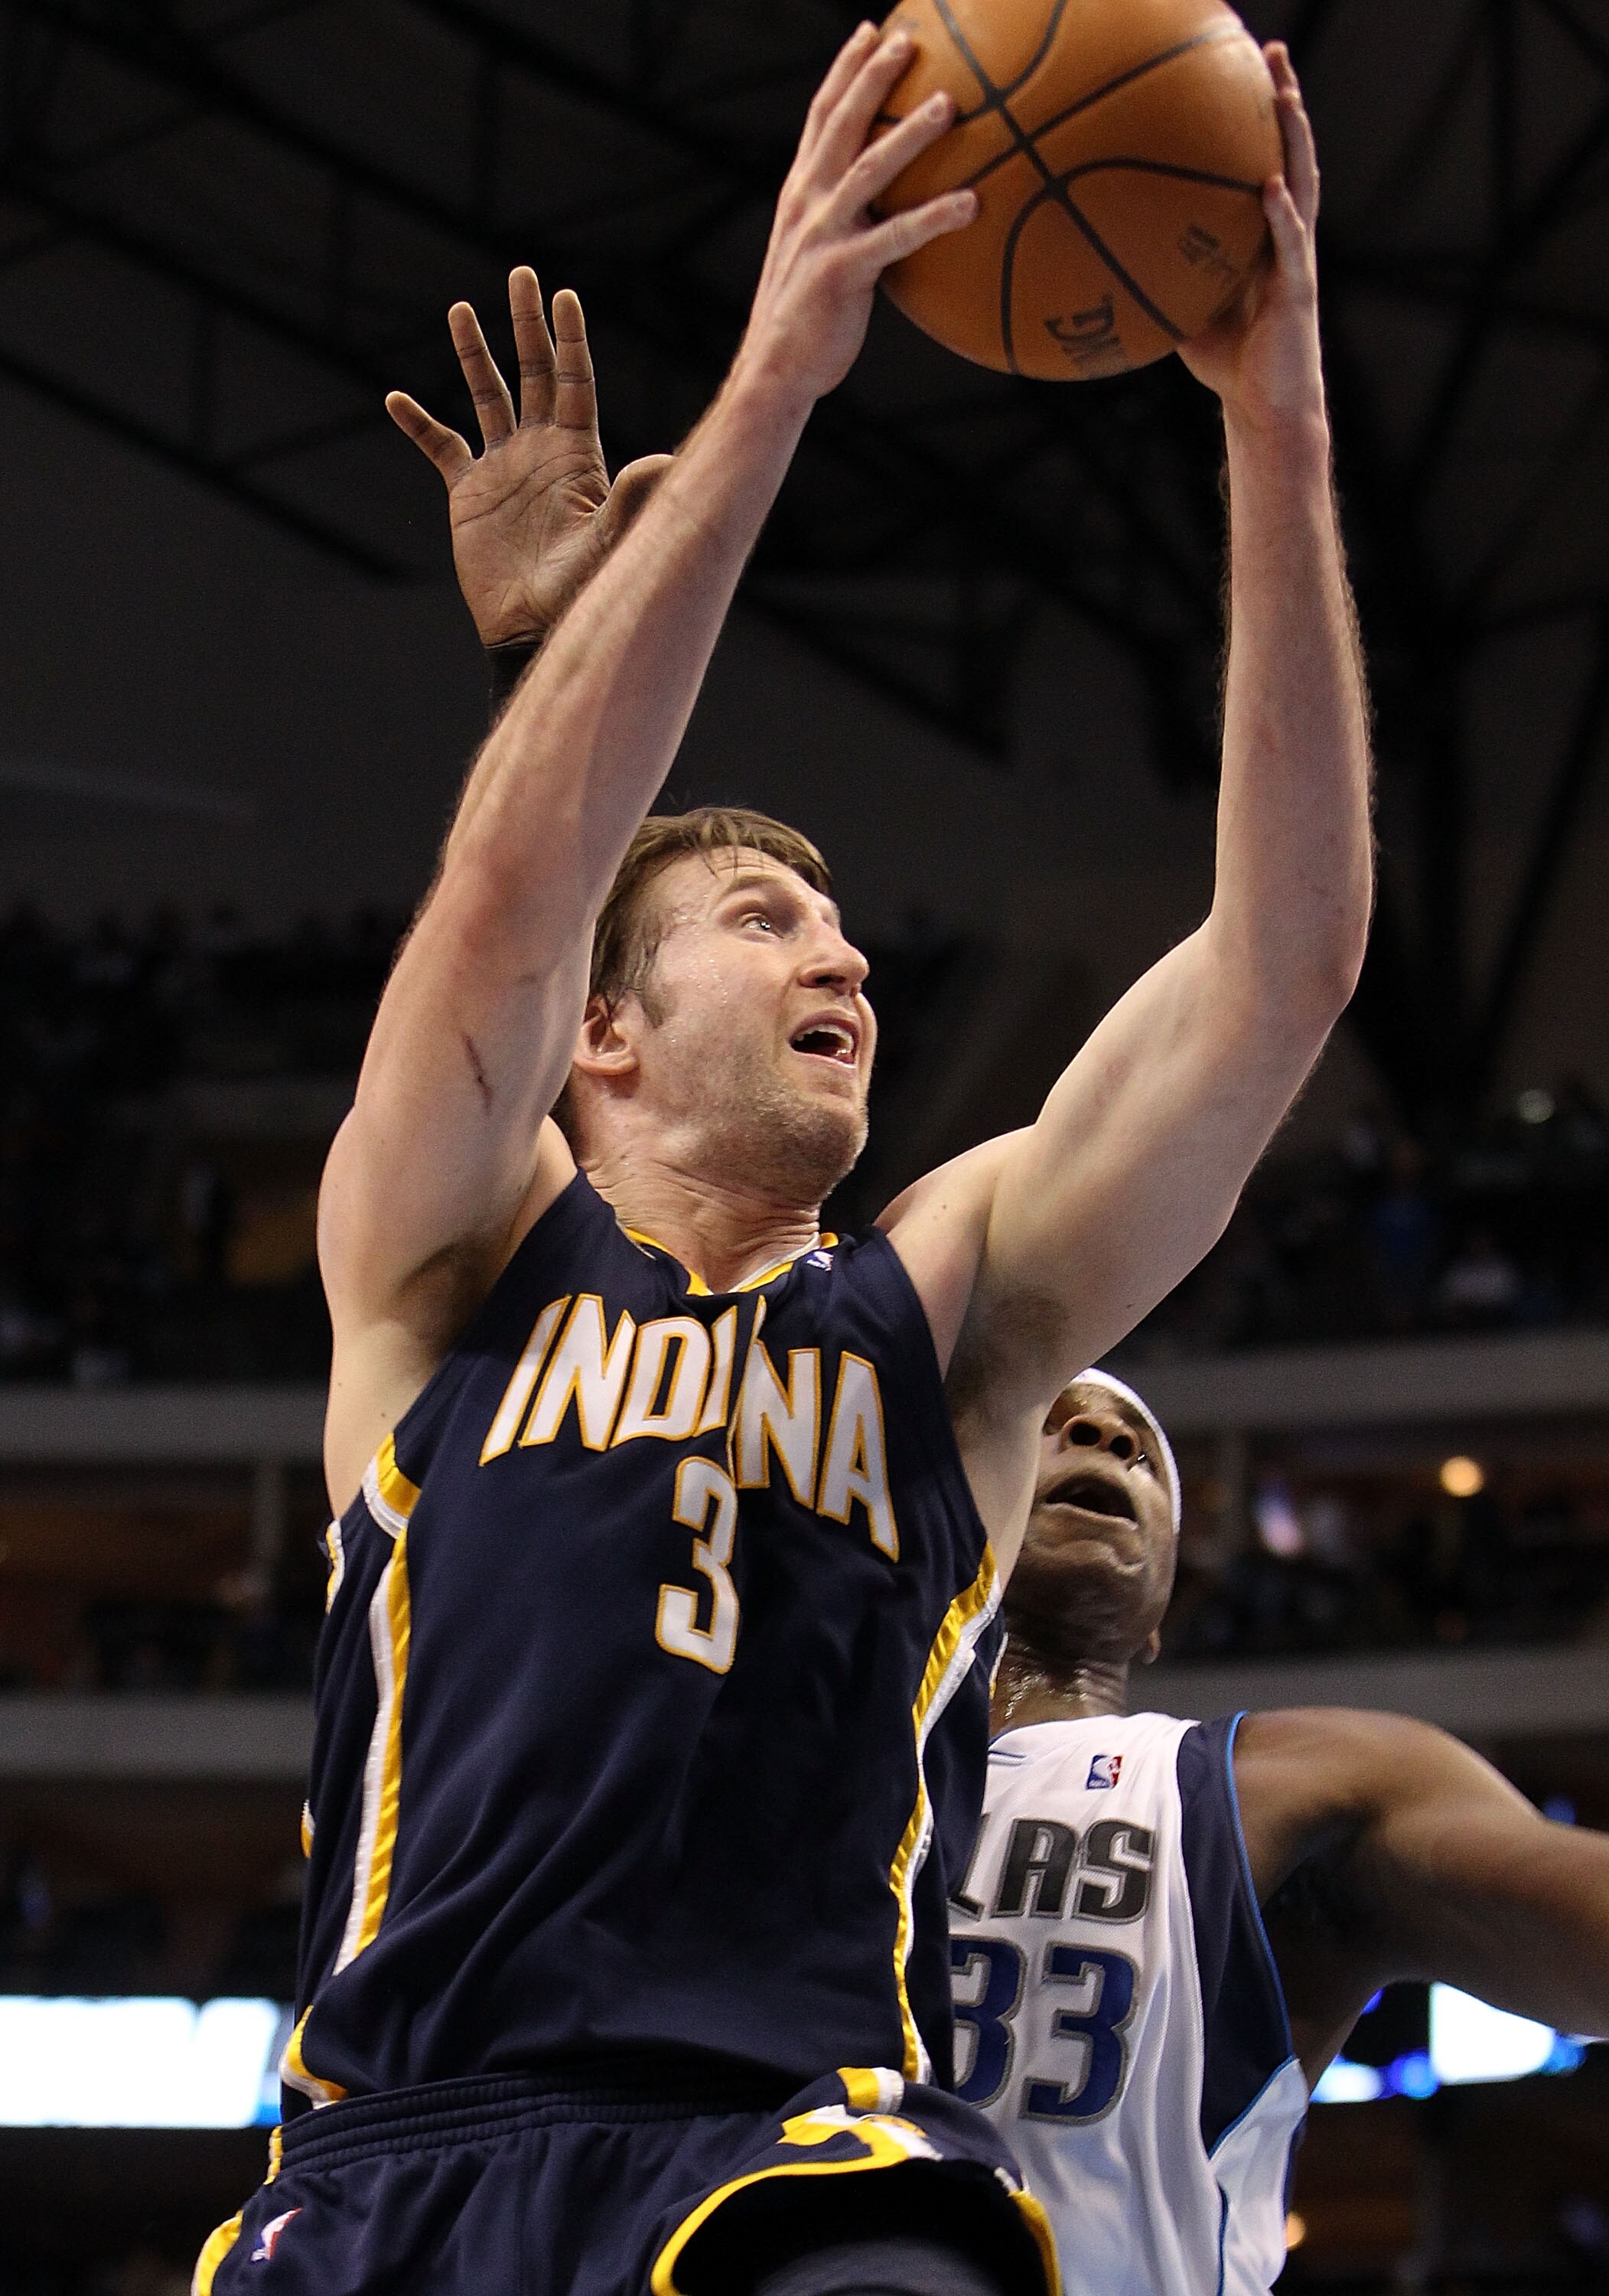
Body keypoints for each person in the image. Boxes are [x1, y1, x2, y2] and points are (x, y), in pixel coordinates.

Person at [196, 21, 1371, 2296]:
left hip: (788, 2154)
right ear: (603, 1036)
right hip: (388, 2168)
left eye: (841, 932)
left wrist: (1272, 419)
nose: (840, 956)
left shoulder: (944, 1304)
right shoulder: (451, 1254)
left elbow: (1283, 968)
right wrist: (771, 389)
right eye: (764, 919)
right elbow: (507, 902)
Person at [953, 1372, 1609, 2296]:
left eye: (1141, 1447)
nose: (1106, 1437)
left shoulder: (1294, 1783)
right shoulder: (805, 1792)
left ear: (1162, 1611)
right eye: (1050, 1422)